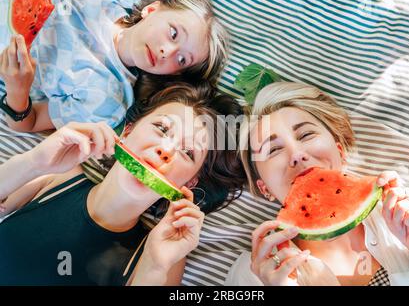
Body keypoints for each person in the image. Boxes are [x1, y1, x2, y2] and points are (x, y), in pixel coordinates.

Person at [0, 83, 244, 285]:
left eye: (188, 152)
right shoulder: (55, 176)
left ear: (189, 182)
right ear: (127, 131)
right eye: (161, 128)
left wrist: (155, 266)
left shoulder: (165, 254)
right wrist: (33, 162)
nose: (165, 150)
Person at [225, 81, 409, 286]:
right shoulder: (254, 274)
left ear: (340, 153)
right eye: (273, 150)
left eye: (306, 134)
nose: (297, 154)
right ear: (265, 189)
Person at [0, 0, 228, 133]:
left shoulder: (106, 103)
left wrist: (17, 88)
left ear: (173, 75)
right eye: (174, 33)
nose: (166, 52)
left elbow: (28, 123)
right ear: (152, 9)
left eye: (181, 60)